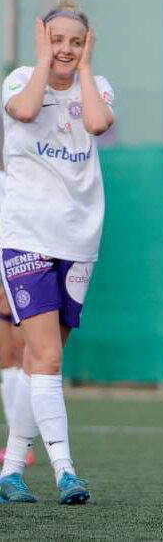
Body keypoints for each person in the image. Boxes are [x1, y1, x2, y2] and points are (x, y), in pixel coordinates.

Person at [0, 0, 114, 505]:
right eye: (57, 39)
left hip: (79, 239)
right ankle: (65, 471)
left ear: (88, 45)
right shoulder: (21, 81)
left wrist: (84, 69)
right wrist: (44, 62)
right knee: (45, 356)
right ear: (42, 38)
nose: (65, 48)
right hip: (26, 235)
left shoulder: (98, 86)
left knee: (42, 360)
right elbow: (25, 111)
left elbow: (97, 123)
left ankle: (9, 472)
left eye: (76, 41)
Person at [0, 167, 35, 468]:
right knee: (5, 357)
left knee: (27, 354)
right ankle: (16, 441)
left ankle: (24, 443)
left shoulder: (13, 181)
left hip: (21, 267)